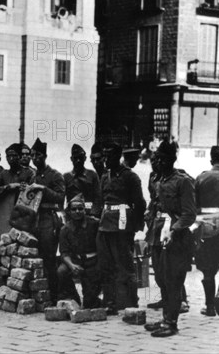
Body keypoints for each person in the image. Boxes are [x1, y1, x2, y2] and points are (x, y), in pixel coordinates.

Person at [144, 141, 196, 338]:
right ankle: (166, 316)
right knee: (160, 278)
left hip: (177, 238)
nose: (159, 162)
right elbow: (155, 205)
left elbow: (189, 214)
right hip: (157, 234)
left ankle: (171, 323)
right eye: (157, 159)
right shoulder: (159, 181)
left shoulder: (183, 181)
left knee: (173, 279)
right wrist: (149, 216)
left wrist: (173, 229)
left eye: (164, 159)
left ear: (172, 160)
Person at [97, 142, 146, 314]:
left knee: (125, 264)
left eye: (108, 156)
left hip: (122, 226)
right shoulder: (105, 176)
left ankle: (131, 301)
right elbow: (101, 200)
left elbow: (139, 203)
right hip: (105, 225)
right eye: (104, 155)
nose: (105, 159)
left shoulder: (130, 177)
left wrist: (136, 225)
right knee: (106, 265)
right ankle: (110, 302)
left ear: (117, 157)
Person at [195, 146, 219, 317]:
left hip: (205, 228)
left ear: (211, 161)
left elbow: (193, 205)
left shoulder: (201, 178)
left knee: (207, 269)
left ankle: (209, 307)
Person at [29, 138, 65, 303]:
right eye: (32, 155)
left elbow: (60, 198)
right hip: (34, 220)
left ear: (44, 156)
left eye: (37, 155)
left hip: (48, 219)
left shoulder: (54, 175)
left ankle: (55, 296)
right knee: (36, 257)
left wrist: (44, 189)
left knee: (49, 259)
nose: (34, 158)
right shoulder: (32, 175)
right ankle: (39, 296)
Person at [57, 194, 101, 309]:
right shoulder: (65, 229)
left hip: (93, 262)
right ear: (69, 212)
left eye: (80, 209)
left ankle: (93, 298)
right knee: (62, 271)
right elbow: (64, 252)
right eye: (74, 209)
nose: (77, 211)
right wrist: (72, 265)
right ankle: (73, 297)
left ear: (85, 210)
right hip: (76, 261)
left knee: (89, 304)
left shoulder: (95, 224)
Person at [63, 144, 101, 217]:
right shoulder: (66, 177)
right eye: (75, 158)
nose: (78, 161)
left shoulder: (92, 175)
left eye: (80, 158)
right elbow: (62, 198)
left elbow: (98, 198)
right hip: (72, 215)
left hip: (90, 214)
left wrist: (93, 214)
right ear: (71, 159)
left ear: (85, 158)